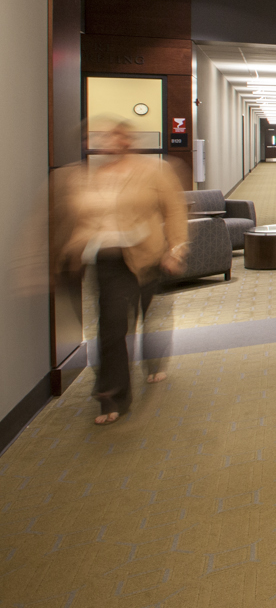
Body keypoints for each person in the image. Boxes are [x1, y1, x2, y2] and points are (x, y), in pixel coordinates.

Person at [57, 119, 188, 425]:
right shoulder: (86, 177)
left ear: (127, 139)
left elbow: (174, 209)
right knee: (112, 326)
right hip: (106, 260)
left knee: (149, 311)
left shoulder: (155, 170)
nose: (104, 141)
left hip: (147, 255)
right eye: (97, 136)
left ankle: (154, 358)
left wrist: (176, 248)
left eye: (112, 135)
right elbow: (77, 220)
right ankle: (111, 396)